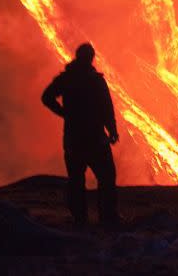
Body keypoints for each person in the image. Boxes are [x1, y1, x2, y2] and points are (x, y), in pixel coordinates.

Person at [42, 43, 120, 225]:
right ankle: (107, 217)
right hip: (94, 137)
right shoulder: (95, 80)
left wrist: (64, 114)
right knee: (106, 176)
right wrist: (112, 129)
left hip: (74, 137)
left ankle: (80, 218)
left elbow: (47, 97)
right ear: (90, 57)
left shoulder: (68, 78)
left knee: (77, 179)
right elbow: (106, 108)